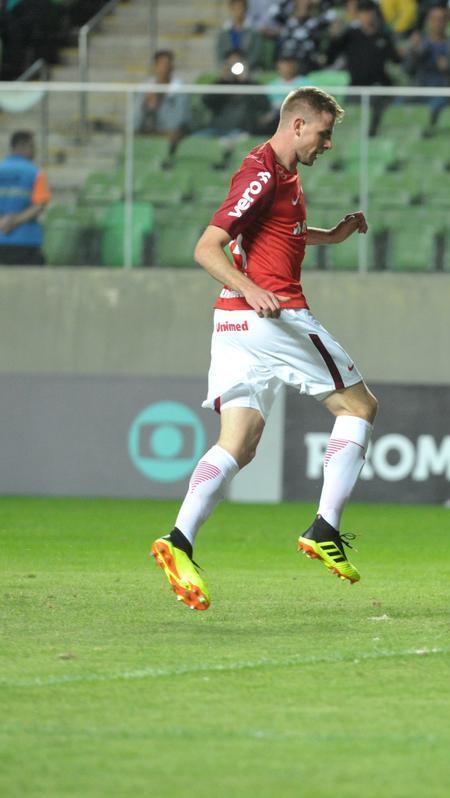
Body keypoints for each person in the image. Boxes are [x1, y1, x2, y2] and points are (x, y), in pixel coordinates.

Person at [149, 87, 377, 612]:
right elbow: (207, 247)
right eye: (324, 133)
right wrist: (252, 288)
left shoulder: (284, 175)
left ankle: (178, 540)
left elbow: (281, 232)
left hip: (232, 325)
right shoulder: (261, 172)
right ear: (297, 125)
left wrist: (333, 235)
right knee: (360, 407)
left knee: (240, 442)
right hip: (273, 315)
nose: (328, 144)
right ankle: (325, 527)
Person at [327, 0, 402, 134]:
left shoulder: (383, 36)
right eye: (363, 13)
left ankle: (372, 135)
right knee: (346, 116)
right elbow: (331, 55)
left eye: (370, 13)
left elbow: (396, 59)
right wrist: (333, 38)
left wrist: (402, 53)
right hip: (356, 87)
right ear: (358, 15)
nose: (367, 17)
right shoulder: (350, 35)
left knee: (374, 107)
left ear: (375, 15)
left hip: (377, 86)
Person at [0, 131, 50, 266]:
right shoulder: (35, 173)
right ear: (21, 146)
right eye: (32, 146)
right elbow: (39, 205)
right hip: (26, 240)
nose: (35, 151)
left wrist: (3, 222)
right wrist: (15, 221)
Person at [199, 51, 275, 138]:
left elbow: (264, 105)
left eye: (237, 63)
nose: (233, 67)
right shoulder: (222, 83)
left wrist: (247, 81)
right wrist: (222, 81)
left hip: (242, 131)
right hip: (217, 129)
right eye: (230, 64)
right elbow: (206, 101)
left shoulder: (252, 84)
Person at [135, 50, 191, 153]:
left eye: (167, 64)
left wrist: (161, 100)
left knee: (174, 134)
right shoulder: (145, 88)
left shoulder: (180, 89)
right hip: (148, 129)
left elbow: (181, 118)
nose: (164, 68)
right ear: (155, 67)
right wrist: (146, 105)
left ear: (172, 67)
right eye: (160, 64)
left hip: (170, 130)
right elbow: (135, 116)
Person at [217, 0, 264, 68]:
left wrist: (244, 65)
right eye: (235, 8)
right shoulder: (224, 32)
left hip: (248, 69)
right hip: (228, 68)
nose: (238, 11)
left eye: (240, 8)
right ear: (231, 9)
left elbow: (256, 54)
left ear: (245, 10)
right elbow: (220, 54)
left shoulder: (253, 32)